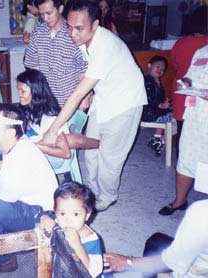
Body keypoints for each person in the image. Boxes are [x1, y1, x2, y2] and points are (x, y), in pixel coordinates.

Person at [42, 0, 147, 212]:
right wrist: (89, 92)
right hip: (104, 98)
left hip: (125, 103)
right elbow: (86, 75)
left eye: (79, 28)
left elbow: (77, 93)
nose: (73, 33)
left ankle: (107, 197)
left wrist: (53, 130)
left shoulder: (105, 46)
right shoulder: (83, 41)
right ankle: (90, 191)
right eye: (70, 27)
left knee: (110, 157)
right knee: (90, 150)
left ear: (96, 24)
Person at [0, 104, 59, 274]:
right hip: (35, 205)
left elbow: (0, 200)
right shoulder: (20, 145)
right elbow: (16, 170)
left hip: (40, 215)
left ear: (10, 133)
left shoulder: (17, 159)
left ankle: (3, 259)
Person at [158, 44, 208, 216]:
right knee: (186, 156)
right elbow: (190, 77)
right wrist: (185, 83)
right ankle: (179, 201)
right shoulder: (202, 51)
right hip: (195, 116)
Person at [17, 69, 99, 171]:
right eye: (18, 90)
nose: (19, 95)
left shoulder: (50, 117)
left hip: (55, 158)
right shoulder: (30, 108)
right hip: (42, 147)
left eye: (23, 91)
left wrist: (36, 146)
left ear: (35, 92)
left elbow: (65, 153)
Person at [104, 199, 208, 276]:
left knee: (155, 243)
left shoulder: (202, 213)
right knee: (157, 241)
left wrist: (127, 262)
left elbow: (171, 262)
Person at [24, 0, 87, 107]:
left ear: (60, 9)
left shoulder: (73, 34)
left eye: (49, 13)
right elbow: (32, 66)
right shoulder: (37, 33)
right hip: (46, 101)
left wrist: (84, 97)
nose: (45, 18)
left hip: (70, 101)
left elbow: (83, 69)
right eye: (41, 14)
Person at [39, 182, 106, 277]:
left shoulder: (92, 241)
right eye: (62, 214)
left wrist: (77, 245)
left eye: (75, 214)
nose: (68, 220)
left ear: (87, 215)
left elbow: (93, 272)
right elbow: (49, 217)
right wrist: (44, 217)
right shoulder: (59, 221)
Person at [170, 6, 207, 155]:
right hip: (201, 92)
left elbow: (174, 64)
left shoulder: (181, 43)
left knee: (182, 131)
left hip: (181, 90)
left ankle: (181, 165)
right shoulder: (206, 44)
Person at [141, 56, 172, 157]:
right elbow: (148, 100)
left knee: (171, 112)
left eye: (162, 69)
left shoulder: (154, 81)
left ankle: (157, 138)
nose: (160, 70)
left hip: (150, 112)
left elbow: (157, 99)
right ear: (149, 66)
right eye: (157, 67)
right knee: (176, 116)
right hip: (148, 114)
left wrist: (164, 104)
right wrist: (161, 105)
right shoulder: (148, 81)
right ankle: (159, 139)